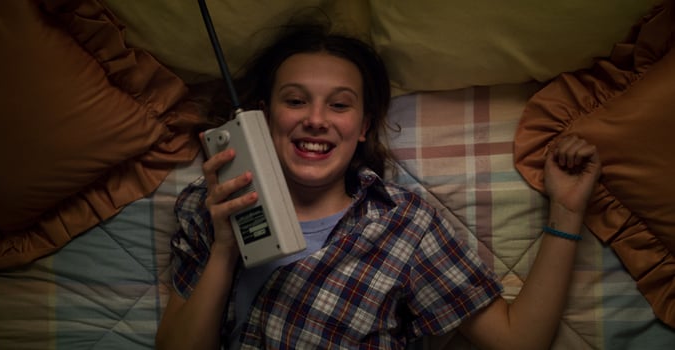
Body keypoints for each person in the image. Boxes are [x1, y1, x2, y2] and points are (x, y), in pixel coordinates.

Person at [155, 21, 601, 350]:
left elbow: (517, 341)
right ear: (263, 116)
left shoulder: (405, 223)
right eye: (294, 100)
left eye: (339, 105)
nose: (315, 118)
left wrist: (566, 210)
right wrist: (224, 248)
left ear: (364, 125)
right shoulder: (209, 205)